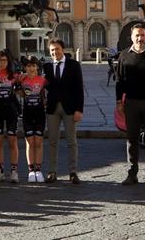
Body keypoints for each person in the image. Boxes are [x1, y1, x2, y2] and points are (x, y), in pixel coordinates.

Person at [116, 25, 145, 186]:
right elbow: (119, 81)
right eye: (137, 35)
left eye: (142, 35)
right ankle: (132, 173)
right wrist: (119, 101)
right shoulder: (124, 55)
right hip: (131, 102)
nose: (140, 38)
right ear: (131, 37)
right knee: (131, 138)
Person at [43, 39, 84, 185]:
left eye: (57, 49)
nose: (55, 52)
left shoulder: (73, 65)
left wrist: (79, 109)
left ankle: (73, 172)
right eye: (52, 50)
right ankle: (52, 171)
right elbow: (43, 85)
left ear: (63, 49)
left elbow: (79, 88)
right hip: (52, 108)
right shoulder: (46, 67)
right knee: (52, 141)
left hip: (70, 108)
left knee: (71, 141)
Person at [0, 50, 20, 183]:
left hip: (11, 110)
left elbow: (21, 90)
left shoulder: (14, 75)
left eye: (4, 60)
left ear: (8, 62)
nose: (2, 63)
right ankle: (0, 170)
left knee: (12, 140)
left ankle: (14, 171)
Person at [18, 56, 47, 183]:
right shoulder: (22, 79)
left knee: (39, 142)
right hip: (27, 112)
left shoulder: (43, 80)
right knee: (30, 142)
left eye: (33, 66)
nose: (31, 68)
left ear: (37, 67)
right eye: (28, 66)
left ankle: (39, 169)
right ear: (25, 67)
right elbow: (17, 90)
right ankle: (31, 170)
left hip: (40, 113)